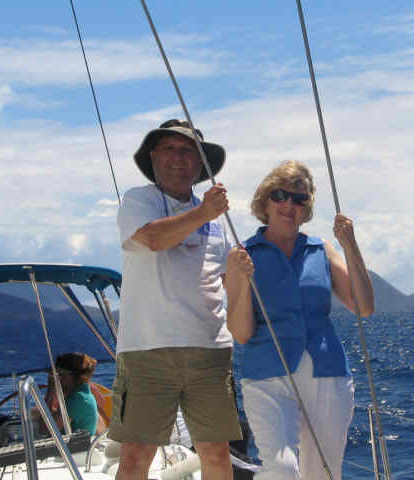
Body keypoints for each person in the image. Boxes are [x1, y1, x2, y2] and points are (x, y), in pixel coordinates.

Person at [108, 119, 242, 480]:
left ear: (200, 163)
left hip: (211, 350)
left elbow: (230, 282)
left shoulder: (218, 220)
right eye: (169, 149)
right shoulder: (139, 200)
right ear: (154, 157)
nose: (178, 157)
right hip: (147, 350)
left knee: (217, 455)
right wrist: (203, 213)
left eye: (187, 151)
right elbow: (152, 239)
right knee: (136, 457)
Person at [225, 160, 375, 479]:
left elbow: (363, 307)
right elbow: (241, 333)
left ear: (307, 209)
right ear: (265, 201)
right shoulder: (242, 256)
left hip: (328, 374)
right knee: (282, 469)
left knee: (323, 473)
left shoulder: (322, 251)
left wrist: (350, 245)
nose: (289, 205)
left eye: (299, 199)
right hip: (267, 378)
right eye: (280, 195)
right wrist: (242, 281)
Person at [43, 352, 99, 436]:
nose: (57, 379)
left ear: (74, 376)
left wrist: (50, 390)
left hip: (75, 444)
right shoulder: (82, 395)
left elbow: (45, 429)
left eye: (60, 374)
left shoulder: (78, 399)